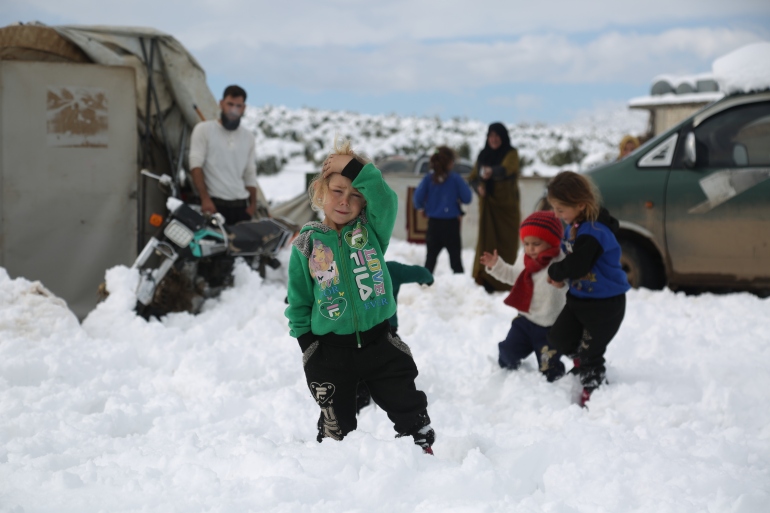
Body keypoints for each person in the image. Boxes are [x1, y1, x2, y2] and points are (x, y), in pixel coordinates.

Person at [285, 138, 436, 454]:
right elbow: (298, 299)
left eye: (356, 195)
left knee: (406, 400)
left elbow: (386, 199)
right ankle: (332, 471)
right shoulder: (307, 244)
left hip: (378, 342)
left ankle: (422, 451)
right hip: (328, 352)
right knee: (335, 428)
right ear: (321, 193)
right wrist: (306, 344)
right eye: (337, 191)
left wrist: (353, 167)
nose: (345, 201)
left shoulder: (370, 232)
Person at [545, 171, 630, 407]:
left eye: (560, 210)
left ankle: (594, 390)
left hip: (605, 304)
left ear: (580, 205)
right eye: (554, 209)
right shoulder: (575, 226)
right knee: (559, 337)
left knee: (592, 351)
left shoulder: (594, 232)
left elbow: (579, 263)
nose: (556, 215)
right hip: (580, 298)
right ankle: (582, 362)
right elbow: (572, 259)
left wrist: (556, 272)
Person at [479, 211, 568, 382]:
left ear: (552, 242)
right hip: (525, 322)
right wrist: (496, 266)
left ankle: (557, 389)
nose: (530, 249)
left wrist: (563, 285)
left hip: (550, 328)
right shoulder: (525, 259)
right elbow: (513, 276)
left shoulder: (560, 263)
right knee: (508, 354)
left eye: (536, 243)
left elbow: (572, 290)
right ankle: (509, 377)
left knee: (550, 368)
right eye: (526, 244)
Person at [356, 260, 434, 413]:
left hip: (359, 331)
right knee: (397, 363)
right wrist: (428, 280)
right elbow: (422, 273)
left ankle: (361, 397)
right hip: (387, 329)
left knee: (360, 364)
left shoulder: (351, 271)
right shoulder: (391, 268)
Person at [189, 84, 260, 226]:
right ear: (221, 104)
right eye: (230, 104)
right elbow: (195, 165)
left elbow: (250, 174)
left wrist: (252, 206)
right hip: (213, 206)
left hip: (241, 208)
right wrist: (205, 199)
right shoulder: (204, 130)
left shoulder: (248, 137)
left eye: (238, 106)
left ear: (244, 108)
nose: (233, 110)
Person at [468, 123, 521, 292]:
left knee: (507, 243)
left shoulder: (511, 153)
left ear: (503, 138)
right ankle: (486, 279)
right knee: (487, 241)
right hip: (488, 206)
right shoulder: (483, 155)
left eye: (497, 136)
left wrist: (492, 171)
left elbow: (507, 168)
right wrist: (479, 187)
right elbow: (473, 178)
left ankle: (506, 280)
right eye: (491, 136)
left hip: (507, 207)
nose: (494, 139)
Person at [413, 146, 472, 274]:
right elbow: (467, 198)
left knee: (430, 260)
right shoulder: (455, 179)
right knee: (456, 261)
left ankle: (425, 285)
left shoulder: (428, 179)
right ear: (450, 163)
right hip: (452, 225)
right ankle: (460, 287)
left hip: (434, 225)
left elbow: (417, 198)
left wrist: (422, 208)